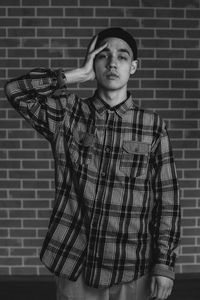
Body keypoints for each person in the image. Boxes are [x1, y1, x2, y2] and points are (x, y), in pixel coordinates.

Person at [5, 27, 180, 300]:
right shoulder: (67, 113)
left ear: (133, 67)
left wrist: (165, 264)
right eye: (103, 55)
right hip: (75, 265)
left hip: (133, 268)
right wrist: (77, 75)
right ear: (93, 62)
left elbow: (168, 199)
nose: (112, 63)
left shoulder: (153, 126)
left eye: (122, 57)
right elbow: (16, 90)